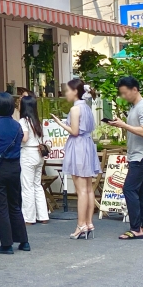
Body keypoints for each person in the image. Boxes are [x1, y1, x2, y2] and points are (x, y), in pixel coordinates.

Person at [52, 79, 101, 240]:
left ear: (75, 91)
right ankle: (88, 223)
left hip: (78, 146)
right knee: (88, 188)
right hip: (87, 145)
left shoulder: (75, 109)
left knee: (80, 190)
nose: (65, 93)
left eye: (67, 90)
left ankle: (81, 225)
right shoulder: (86, 107)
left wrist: (60, 123)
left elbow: (73, 131)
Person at [0, 92, 29, 254]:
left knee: (1, 207)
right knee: (15, 205)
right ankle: (24, 241)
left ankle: (7, 244)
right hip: (15, 168)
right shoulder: (17, 126)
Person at [109, 76, 143, 240]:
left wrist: (124, 125)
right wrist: (121, 123)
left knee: (128, 188)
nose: (123, 96)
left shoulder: (142, 107)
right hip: (139, 155)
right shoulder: (136, 107)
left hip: (141, 156)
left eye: (124, 93)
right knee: (140, 190)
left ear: (134, 89)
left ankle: (136, 228)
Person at [19, 95, 49, 225]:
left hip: (27, 153)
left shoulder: (23, 121)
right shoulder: (37, 121)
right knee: (37, 185)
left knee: (27, 186)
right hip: (39, 154)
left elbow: (24, 138)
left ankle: (29, 218)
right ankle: (43, 215)